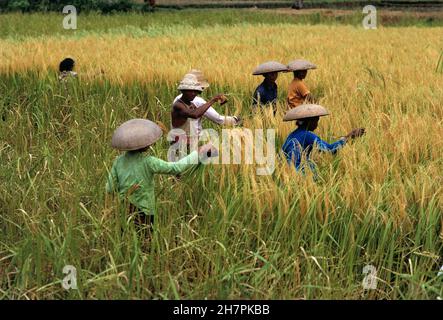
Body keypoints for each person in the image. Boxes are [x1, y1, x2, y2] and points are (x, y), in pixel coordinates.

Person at [106, 118, 216, 235]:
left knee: (127, 240)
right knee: (146, 241)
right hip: (144, 210)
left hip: (124, 210)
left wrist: (127, 192)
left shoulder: (118, 161)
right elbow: (176, 168)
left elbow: (110, 188)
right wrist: (197, 153)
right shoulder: (148, 162)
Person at [282, 104, 365, 176]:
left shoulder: (291, 135)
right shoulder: (308, 135)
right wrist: (349, 137)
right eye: (316, 120)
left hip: (288, 174)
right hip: (301, 175)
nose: (317, 124)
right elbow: (330, 150)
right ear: (309, 121)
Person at [172, 70, 239, 140]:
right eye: (191, 90)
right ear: (183, 90)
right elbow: (218, 119)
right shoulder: (196, 101)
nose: (193, 93)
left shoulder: (180, 99)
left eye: (195, 91)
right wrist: (235, 120)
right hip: (187, 142)